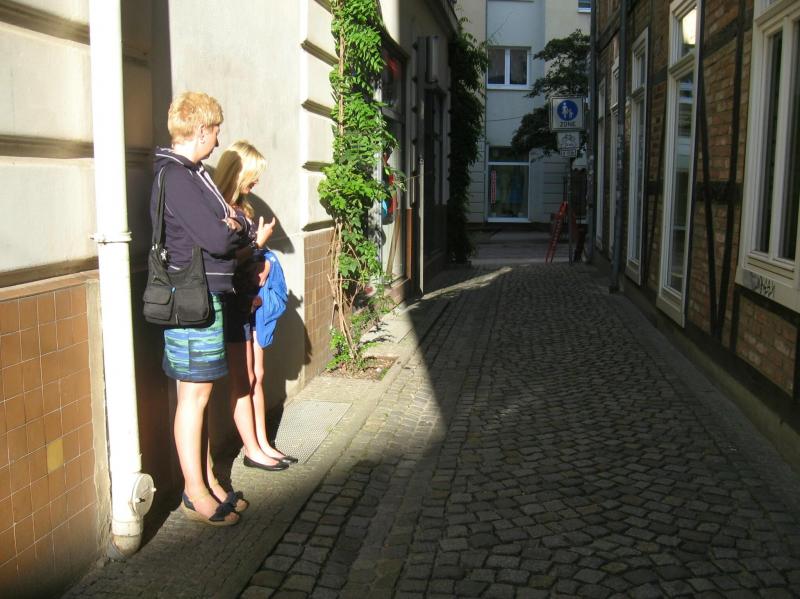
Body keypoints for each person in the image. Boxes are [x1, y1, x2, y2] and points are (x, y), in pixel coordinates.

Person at [152, 93, 271, 526]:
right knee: (194, 397)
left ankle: (207, 481)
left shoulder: (194, 174)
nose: (218, 140)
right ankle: (194, 491)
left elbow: (233, 228)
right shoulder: (176, 176)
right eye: (216, 131)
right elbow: (220, 239)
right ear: (200, 130)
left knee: (200, 397)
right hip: (190, 301)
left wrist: (234, 226)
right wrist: (234, 229)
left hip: (204, 298)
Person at [212, 141, 298, 472]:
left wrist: (260, 256)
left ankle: (262, 443)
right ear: (238, 173)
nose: (257, 181)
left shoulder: (241, 208)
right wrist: (257, 245)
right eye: (253, 174)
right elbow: (225, 261)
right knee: (243, 379)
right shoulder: (221, 211)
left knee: (255, 376)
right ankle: (252, 449)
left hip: (250, 303)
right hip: (236, 304)